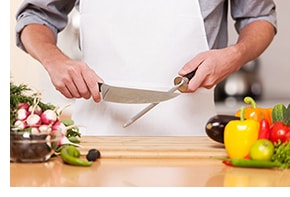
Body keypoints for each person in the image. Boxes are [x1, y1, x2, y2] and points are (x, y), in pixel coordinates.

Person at [15, 0, 277, 136]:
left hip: (192, 141)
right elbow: (35, 16)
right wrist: (54, 59)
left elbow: (260, 17)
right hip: (95, 140)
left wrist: (234, 55)